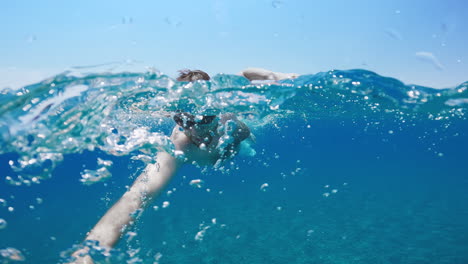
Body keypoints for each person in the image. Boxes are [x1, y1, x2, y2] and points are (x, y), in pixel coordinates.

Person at [69, 68, 297, 263]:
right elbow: (136, 197)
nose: (195, 129)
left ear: (216, 110)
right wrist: (88, 252)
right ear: (175, 117)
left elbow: (243, 73)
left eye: (205, 118)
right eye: (185, 120)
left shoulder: (228, 117)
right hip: (222, 150)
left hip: (240, 142)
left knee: (246, 138)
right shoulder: (179, 145)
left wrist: (276, 75)